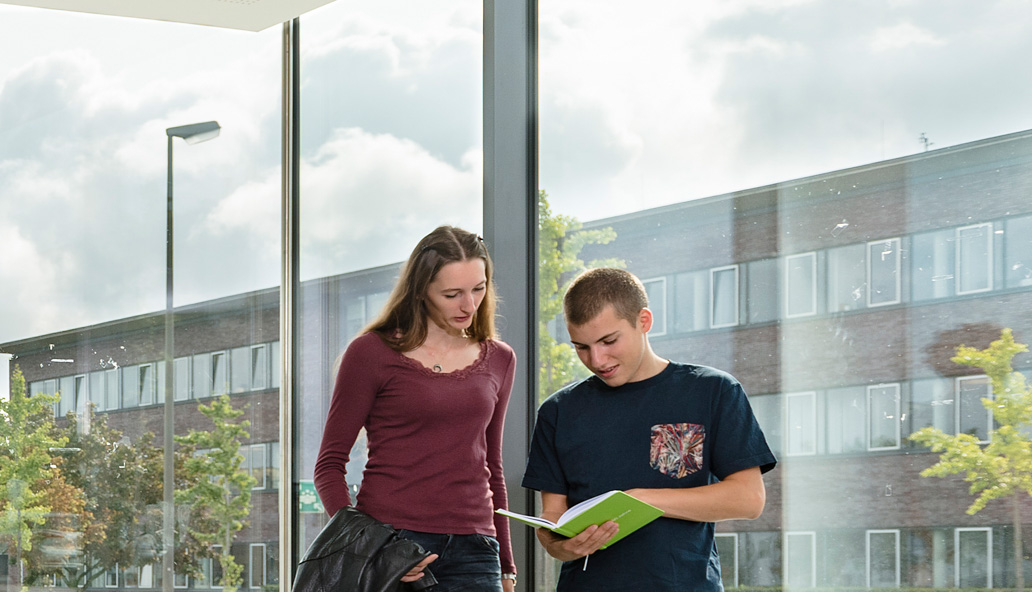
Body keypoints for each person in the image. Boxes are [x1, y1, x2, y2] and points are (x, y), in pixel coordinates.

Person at [525, 267, 773, 590]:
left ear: (644, 321)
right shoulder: (557, 412)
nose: (597, 359)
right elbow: (552, 517)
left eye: (608, 340)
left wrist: (642, 501)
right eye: (581, 347)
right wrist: (557, 545)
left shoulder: (714, 392)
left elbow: (748, 498)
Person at [314, 226, 520, 592]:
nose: (469, 305)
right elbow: (329, 466)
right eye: (452, 294)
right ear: (421, 290)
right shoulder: (370, 353)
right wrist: (372, 549)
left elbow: (492, 464)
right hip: (395, 544)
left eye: (479, 288)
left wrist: (505, 565)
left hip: (476, 550)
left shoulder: (500, 359)